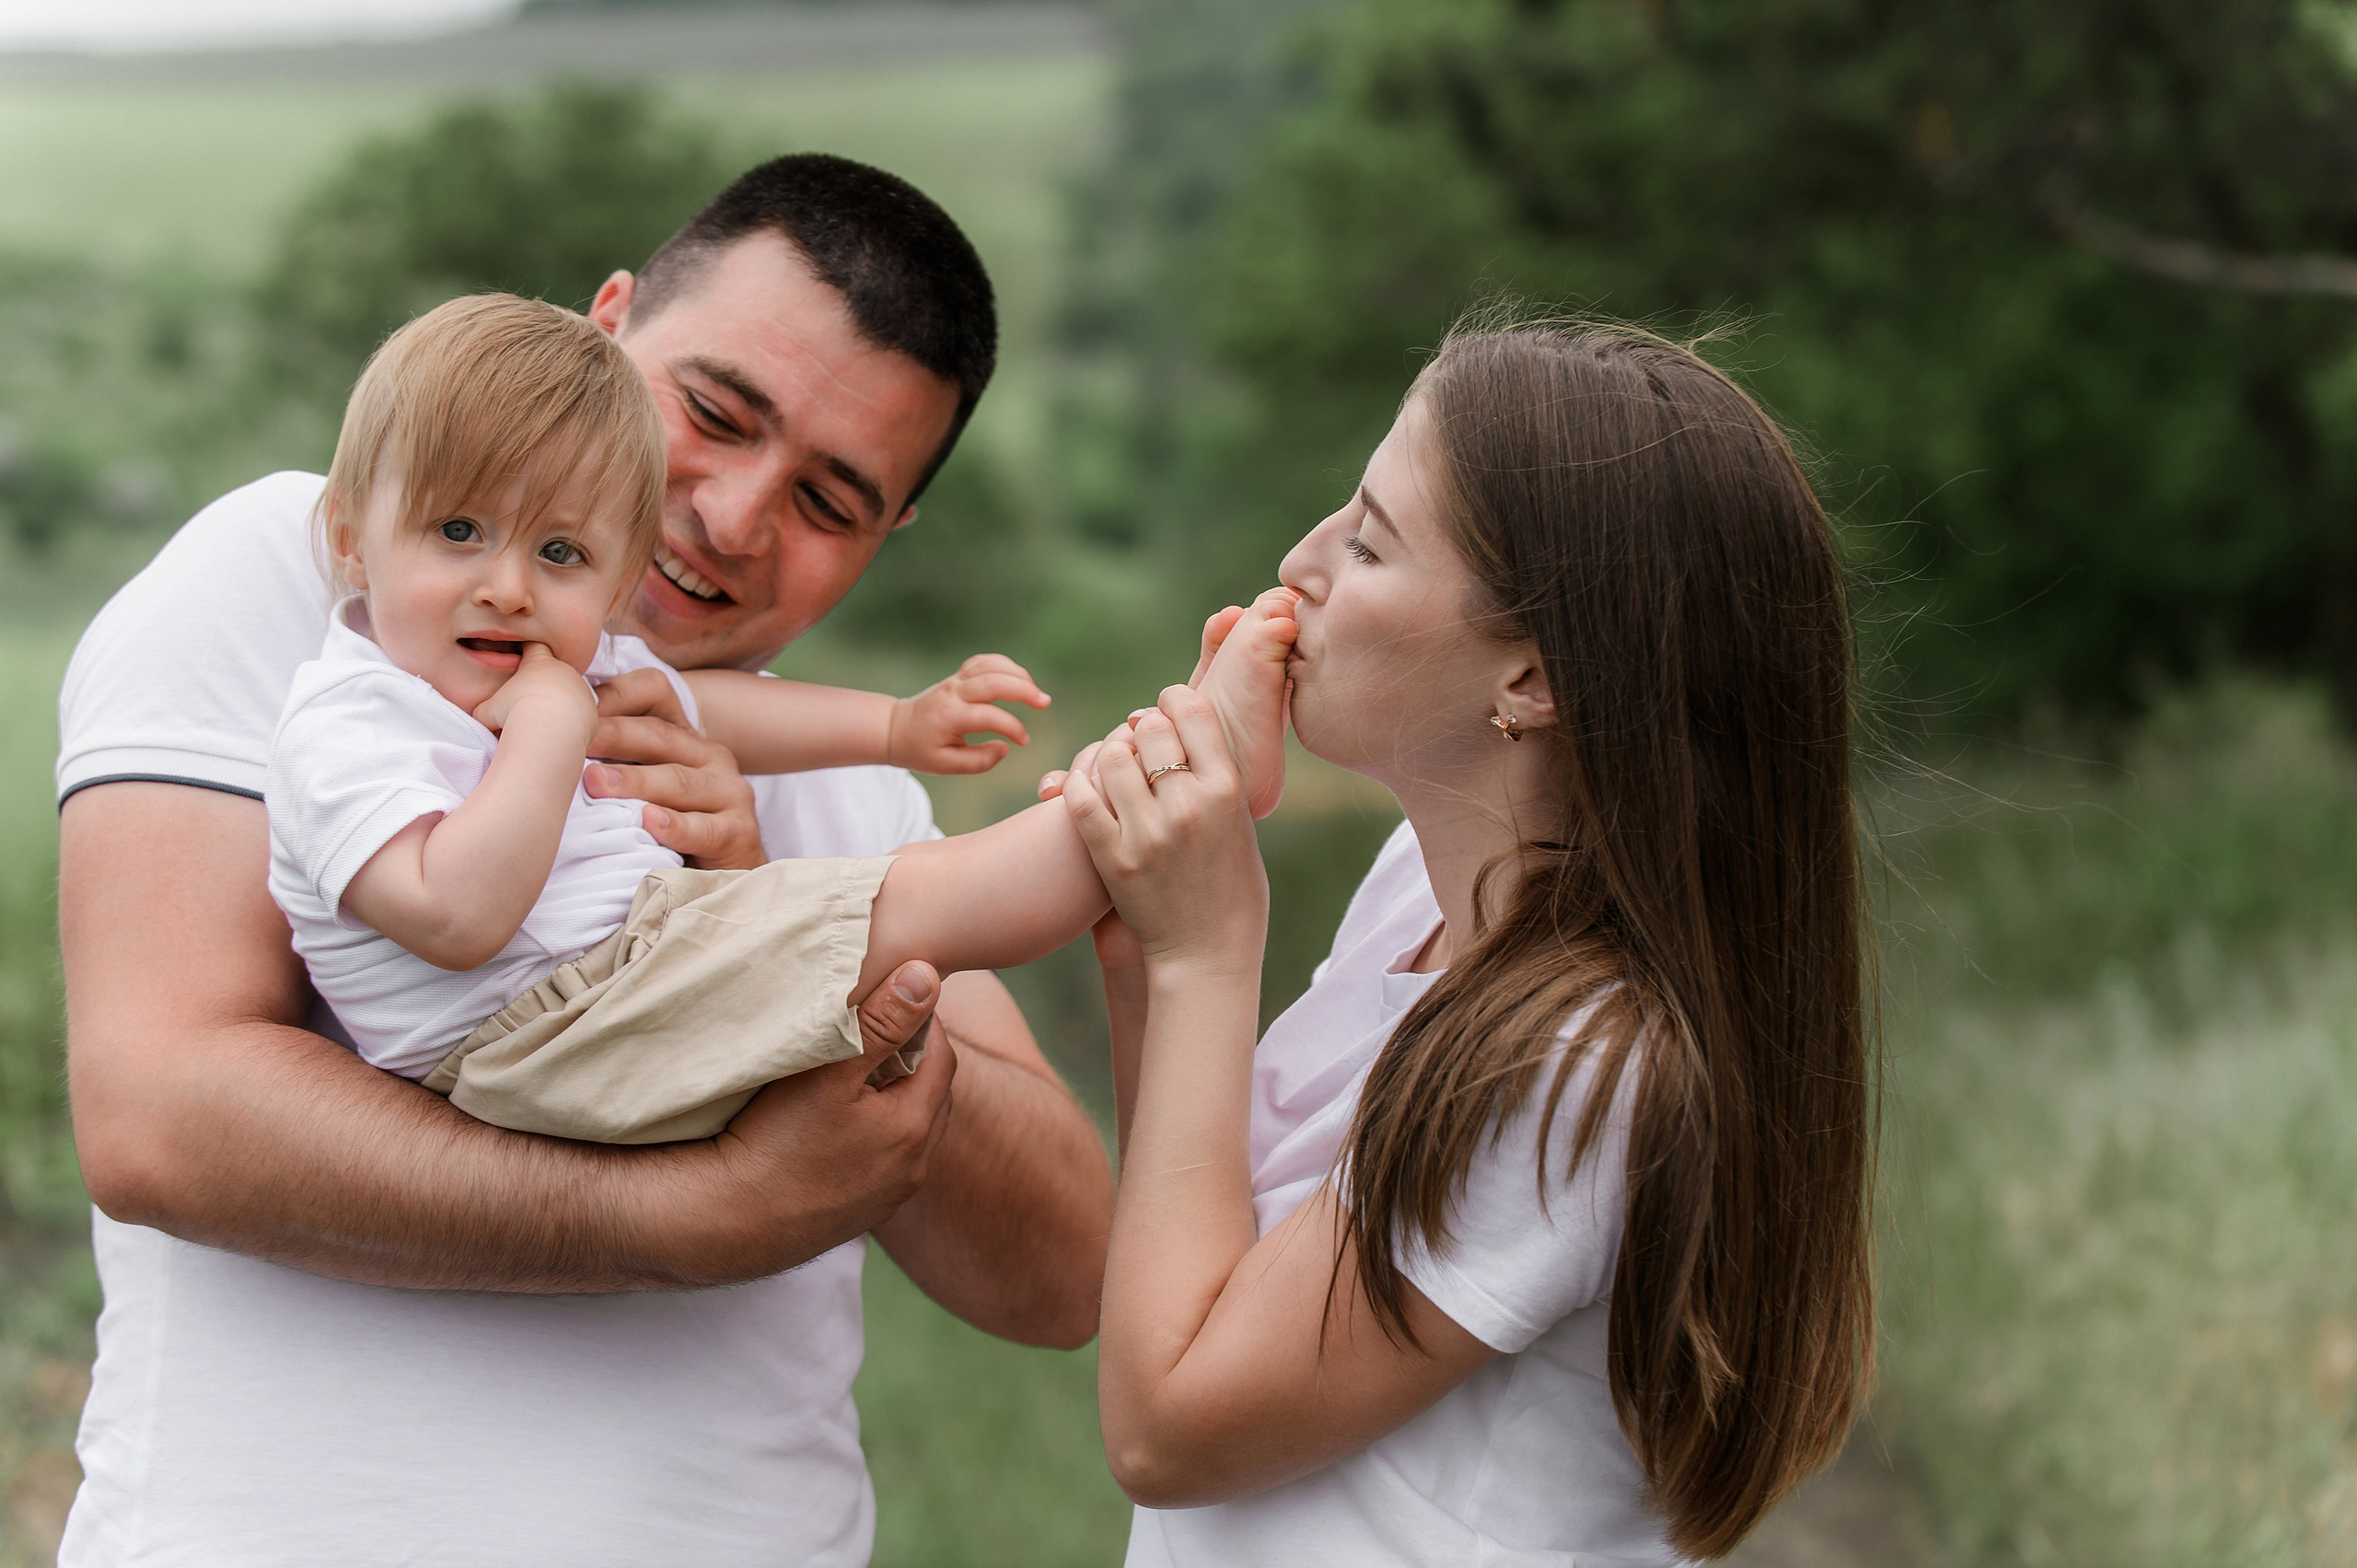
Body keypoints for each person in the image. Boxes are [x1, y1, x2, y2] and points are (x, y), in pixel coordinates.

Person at [54, 154, 1113, 1565]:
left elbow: (1059, 1273)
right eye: (716, 414)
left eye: (830, 503)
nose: (736, 519)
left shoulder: (849, 785)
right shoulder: (310, 580)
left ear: (889, 536)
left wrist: (766, 929)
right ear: (601, 328)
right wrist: (681, 1217)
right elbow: (156, 1113)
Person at [1053, 319, 1875, 1564]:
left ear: (1534, 679)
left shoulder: (1576, 1062)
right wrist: (1150, 960)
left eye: (1371, 542)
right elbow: (1211, 1272)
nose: (1300, 563)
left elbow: (1172, 1430)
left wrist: (1206, 957)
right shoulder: (1416, 896)